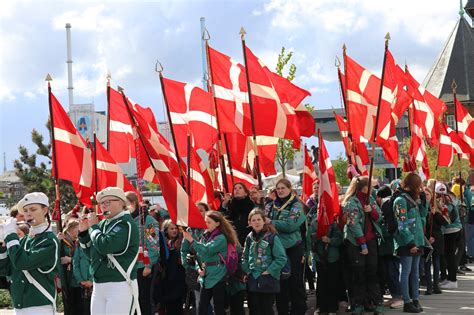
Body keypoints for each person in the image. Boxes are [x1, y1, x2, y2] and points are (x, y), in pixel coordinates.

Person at [78, 187, 140, 315]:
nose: (103, 206)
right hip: (99, 285)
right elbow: (90, 254)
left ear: (121, 202)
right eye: (101, 203)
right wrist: (83, 233)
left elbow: (106, 246)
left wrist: (93, 227)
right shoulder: (102, 225)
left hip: (120, 284)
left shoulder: (125, 223)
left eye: (108, 202)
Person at [0, 192, 60, 314]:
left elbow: (22, 263)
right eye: (26, 210)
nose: (28, 213)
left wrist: (11, 235)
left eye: (33, 209)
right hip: (19, 305)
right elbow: (5, 269)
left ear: (44, 211)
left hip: (39, 306)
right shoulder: (24, 241)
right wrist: (1, 244)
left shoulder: (49, 240)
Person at [182, 211, 239, 315]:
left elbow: (206, 250)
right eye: (205, 222)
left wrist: (191, 240)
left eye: (209, 222)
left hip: (218, 274)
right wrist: (199, 269)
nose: (205, 224)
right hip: (206, 276)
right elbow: (199, 256)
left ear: (217, 223)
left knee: (218, 307)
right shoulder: (205, 236)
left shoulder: (221, 238)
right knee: (202, 306)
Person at [342, 176, 383, 315]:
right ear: (364, 187)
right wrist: (362, 244)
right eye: (369, 186)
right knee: (358, 274)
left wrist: (371, 210)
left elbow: (379, 217)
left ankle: (376, 302)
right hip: (356, 242)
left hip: (371, 240)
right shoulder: (351, 202)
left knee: (372, 272)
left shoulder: (370, 200)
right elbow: (353, 224)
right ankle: (358, 303)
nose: (371, 188)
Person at [266, 178, 307, 315]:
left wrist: (272, 222)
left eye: (283, 188)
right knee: (280, 282)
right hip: (277, 249)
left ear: (290, 189)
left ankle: (299, 311)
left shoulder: (296, 205)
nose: (280, 191)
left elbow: (291, 226)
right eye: (278, 189)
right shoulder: (272, 205)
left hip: (293, 248)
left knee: (295, 282)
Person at [393, 173, 428, 313]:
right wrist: (410, 243)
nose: (420, 189)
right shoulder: (400, 200)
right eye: (418, 186)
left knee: (415, 273)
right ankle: (406, 301)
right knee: (406, 272)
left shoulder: (414, 199)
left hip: (417, 240)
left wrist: (424, 201)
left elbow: (423, 216)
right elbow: (402, 224)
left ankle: (415, 299)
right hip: (407, 243)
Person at [242, 209, 287, 315]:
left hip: (267, 277)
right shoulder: (249, 237)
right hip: (253, 276)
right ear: (250, 223)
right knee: (254, 308)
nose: (256, 222)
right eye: (253, 220)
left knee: (266, 308)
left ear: (264, 221)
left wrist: (269, 270)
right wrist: (247, 270)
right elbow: (244, 256)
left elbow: (281, 258)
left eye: (259, 219)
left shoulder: (271, 237)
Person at [126, 191, 161, 315]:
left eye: (126, 204)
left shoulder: (148, 220)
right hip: (129, 267)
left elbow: (153, 244)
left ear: (134, 203)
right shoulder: (126, 220)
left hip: (143, 266)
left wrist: (149, 265)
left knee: (144, 299)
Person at [308, 211, 343, 315]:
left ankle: (332, 308)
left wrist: (330, 240)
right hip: (320, 257)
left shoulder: (334, 224)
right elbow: (309, 238)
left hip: (332, 258)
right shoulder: (314, 223)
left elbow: (340, 239)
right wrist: (317, 237)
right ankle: (321, 307)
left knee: (332, 283)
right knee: (321, 284)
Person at [376, 185, 403, 309]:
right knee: (389, 272)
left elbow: (389, 226)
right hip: (387, 245)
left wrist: (379, 228)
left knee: (393, 272)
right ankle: (394, 296)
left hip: (391, 244)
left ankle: (398, 296)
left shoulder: (387, 203)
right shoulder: (390, 202)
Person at [181, 203, 209, 314]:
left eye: (201, 210)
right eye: (196, 211)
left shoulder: (211, 229)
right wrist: (187, 265)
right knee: (199, 301)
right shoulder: (190, 230)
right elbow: (184, 250)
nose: (198, 213)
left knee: (212, 302)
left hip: (211, 269)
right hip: (194, 270)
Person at [436, 183, 462, 290]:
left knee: (450, 256)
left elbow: (446, 220)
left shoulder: (446, 202)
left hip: (451, 231)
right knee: (448, 256)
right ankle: (449, 278)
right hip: (454, 230)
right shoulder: (449, 199)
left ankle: (453, 280)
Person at [424, 187, 449, 295]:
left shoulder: (437, 208)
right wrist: (427, 237)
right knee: (427, 263)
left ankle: (436, 285)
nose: (426, 197)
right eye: (424, 195)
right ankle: (429, 286)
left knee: (436, 262)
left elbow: (445, 222)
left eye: (428, 194)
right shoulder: (420, 207)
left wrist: (435, 214)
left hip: (437, 238)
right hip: (426, 239)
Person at [161, 219, 186, 314]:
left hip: (178, 276)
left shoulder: (181, 241)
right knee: (168, 304)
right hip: (166, 277)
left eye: (176, 228)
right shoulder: (162, 242)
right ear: (166, 230)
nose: (174, 231)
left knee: (178, 303)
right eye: (171, 228)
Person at [220, 182, 255, 247]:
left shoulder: (251, 205)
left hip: (248, 238)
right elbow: (222, 218)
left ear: (246, 193)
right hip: (234, 240)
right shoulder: (230, 205)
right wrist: (224, 203)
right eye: (235, 188)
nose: (237, 190)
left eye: (240, 188)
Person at [60, 220, 83, 315]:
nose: (80, 231)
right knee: (70, 306)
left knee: (78, 307)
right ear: (72, 229)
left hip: (77, 278)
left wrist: (70, 260)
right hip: (68, 279)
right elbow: (61, 259)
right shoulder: (63, 241)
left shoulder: (78, 240)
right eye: (78, 228)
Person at [73, 209, 93, 315]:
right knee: (85, 309)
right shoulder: (79, 243)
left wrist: (91, 280)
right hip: (83, 282)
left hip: (94, 282)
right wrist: (80, 280)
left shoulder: (96, 240)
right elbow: (75, 262)